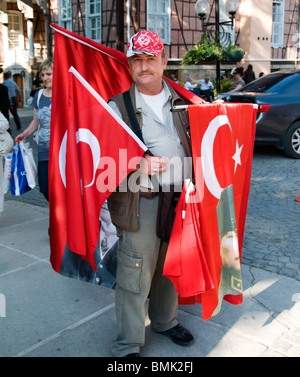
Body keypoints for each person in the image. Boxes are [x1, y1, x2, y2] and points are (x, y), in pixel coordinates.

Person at [107, 30, 194, 357]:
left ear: (164, 61)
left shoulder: (184, 101)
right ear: (130, 64)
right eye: (137, 60)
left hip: (181, 200)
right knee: (135, 270)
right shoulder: (117, 106)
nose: (144, 66)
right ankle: (127, 344)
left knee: (171, 267)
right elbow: (98, 156)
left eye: (150, 59)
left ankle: (165, 321)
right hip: (140, 201)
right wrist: (135, 162)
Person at [15, 59, 53, 202]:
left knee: (61, 189)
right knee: (44, 187)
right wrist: (25, 134)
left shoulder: (65, 94)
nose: (45, 78)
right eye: (42, 75)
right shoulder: (39, 95)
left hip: (62, 152)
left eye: (48, 74)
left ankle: (59, 222)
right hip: (43, 151)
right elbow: (36, 120)